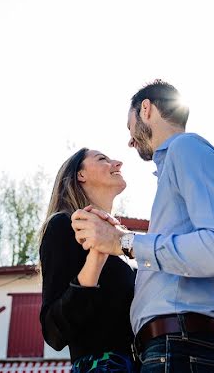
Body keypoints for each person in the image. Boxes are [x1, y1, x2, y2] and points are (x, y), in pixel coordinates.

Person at [71, 80, 214, 372]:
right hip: (180, 348)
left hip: (183, 348)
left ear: (147, 108)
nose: (130, 141)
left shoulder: (185, 148)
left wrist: (123, 243)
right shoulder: (178, 164)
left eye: (130, 127)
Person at [39, 148, 139, 372]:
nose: (118, 163)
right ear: (80, 175)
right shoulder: (62, 225)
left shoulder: (122, 246)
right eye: (103, 159)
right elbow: (53, 332)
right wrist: (97, 256)